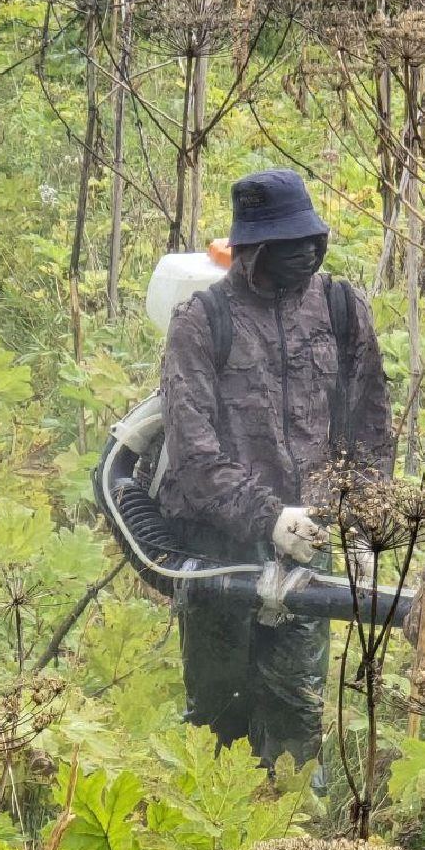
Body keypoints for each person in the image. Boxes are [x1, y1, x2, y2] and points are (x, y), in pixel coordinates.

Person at [157, 167, 394, 774]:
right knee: (218, 726)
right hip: (216, 555)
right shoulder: (201, 322)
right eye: (287, 246)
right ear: (250, 249)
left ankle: (290, 849)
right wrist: (267, 516)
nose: (304, 255)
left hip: (308, 551)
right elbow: (193, 454)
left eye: (311, 242)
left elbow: (367, 427)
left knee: (297, 717)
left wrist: (363, 520)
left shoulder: (341, 310)